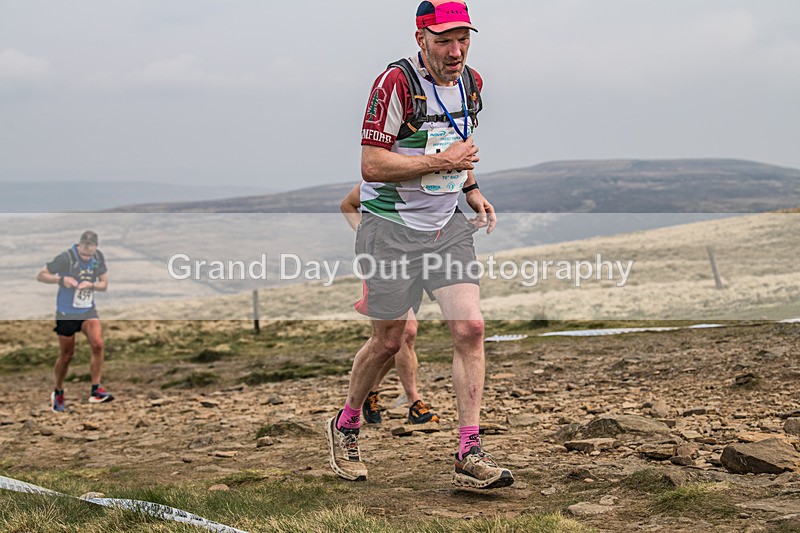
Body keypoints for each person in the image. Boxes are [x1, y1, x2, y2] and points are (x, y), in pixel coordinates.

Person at [325, 0, 513, 489]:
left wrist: (470, 189)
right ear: (420, 39)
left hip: (446, 226)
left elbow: (459, 142)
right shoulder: (396, 84)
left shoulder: (472, 83)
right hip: (387, 228)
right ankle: (346, 424)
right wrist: (440, 163)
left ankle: (469, 451)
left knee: (470, 327)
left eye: (464, 39)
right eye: (444, 41)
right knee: (389, 341)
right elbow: (372, 165)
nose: (456, 51)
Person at [341, 184, 439, 426]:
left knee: (393, 341)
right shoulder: (382, 182)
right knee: (407, 331)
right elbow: (347, 205)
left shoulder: (428, 185)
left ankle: (371, 389)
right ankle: (415, 402)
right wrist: (368, 239)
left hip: (414, 264)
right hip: (383, 264)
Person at [36, 230, 114, 412]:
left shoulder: (98, 257)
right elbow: (41, 275)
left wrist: (92, 285)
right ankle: (58, 391)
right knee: (67, 355)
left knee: (98, 344)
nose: (87, 257)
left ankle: (96, 390)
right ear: (79, 246)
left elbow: (104, 285)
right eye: (84, 254)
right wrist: (61, 280)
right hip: (66, 313)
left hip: (87, 309)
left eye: (90, 254)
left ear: (96, 248)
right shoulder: (66, 257)